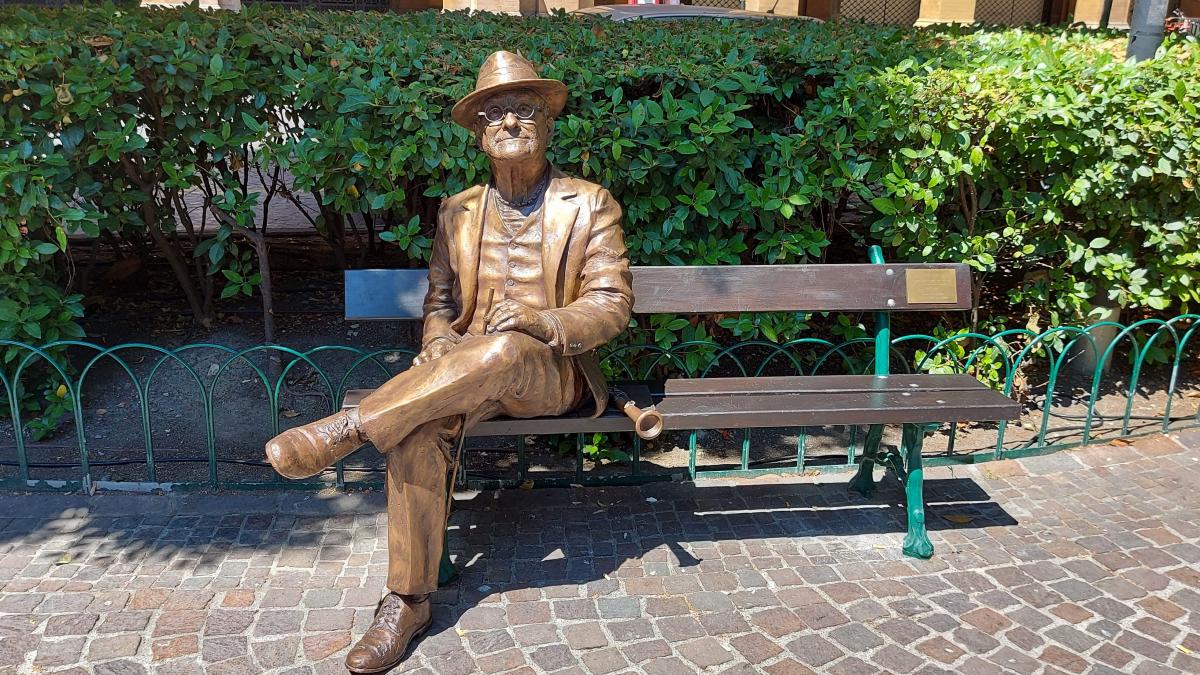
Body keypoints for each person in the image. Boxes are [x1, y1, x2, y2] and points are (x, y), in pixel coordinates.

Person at [263, 50, 634, 673]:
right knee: (415, 426)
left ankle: (350, 427)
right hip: (462, 371)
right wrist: (436, 339)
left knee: (506, 345)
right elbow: (440, 301)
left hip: (548, 371)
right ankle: (407, 602)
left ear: (547, 125)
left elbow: (611, 304)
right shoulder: (457, 210)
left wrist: (545, 321)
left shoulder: (589, 203)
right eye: (495, 113)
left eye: (524, 110)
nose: (510, 122)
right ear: (479, 133)